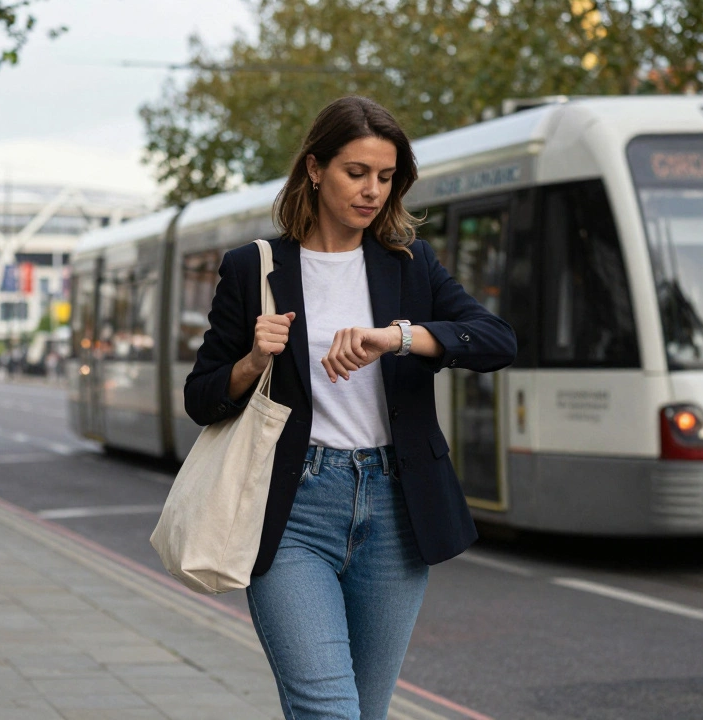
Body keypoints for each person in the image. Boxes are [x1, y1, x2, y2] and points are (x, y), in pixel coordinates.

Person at [183, 97, 516, 719]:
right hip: (293, 510)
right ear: (315, 168)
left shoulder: (409, 265)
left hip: (395, 510)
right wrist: (254, 361)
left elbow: (497, 340)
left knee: (366, 710)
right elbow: (200, 398)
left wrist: (399, 336)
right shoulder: (253, 268)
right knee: (328, 709)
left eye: (386, 178)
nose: (372, 191)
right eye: (356, 172)